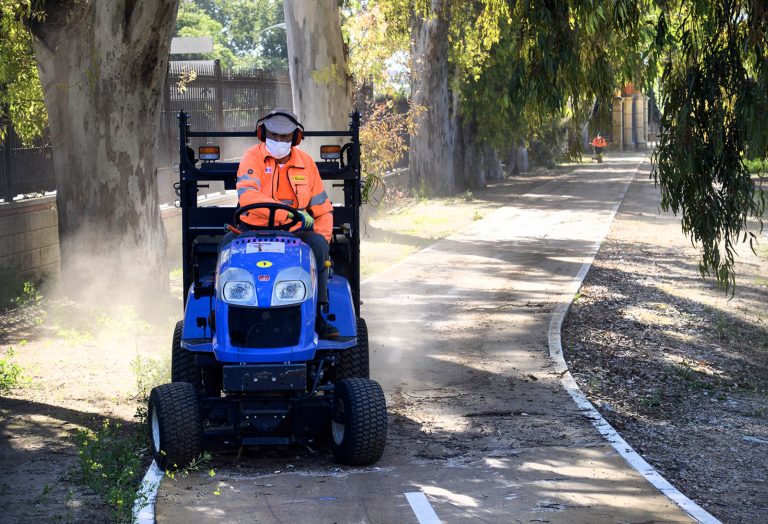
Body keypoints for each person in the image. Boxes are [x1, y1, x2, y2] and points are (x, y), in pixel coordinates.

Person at [222, 109, 338, 339]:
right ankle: (222, 315)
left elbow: (322, 210)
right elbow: (248, 196)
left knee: (318, 245)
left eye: (285, 137)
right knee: (225, 247)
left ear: (295, 138)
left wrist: (323, 242)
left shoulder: (306, 164)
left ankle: (316, 316)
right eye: (274, 135)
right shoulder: (251, 157)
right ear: (263, 133)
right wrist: (291, 212)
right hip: (251, 232)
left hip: (295, 234)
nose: (278, 141)